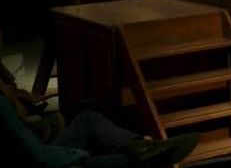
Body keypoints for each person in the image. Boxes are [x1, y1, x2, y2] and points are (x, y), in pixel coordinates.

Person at [1, 61, 198, 167]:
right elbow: (39, 156)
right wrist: (76, 154)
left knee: (88, 116)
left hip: (37, 146)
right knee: (128, 161)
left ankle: (141, 146)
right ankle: (146, 154)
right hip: (45, 160)